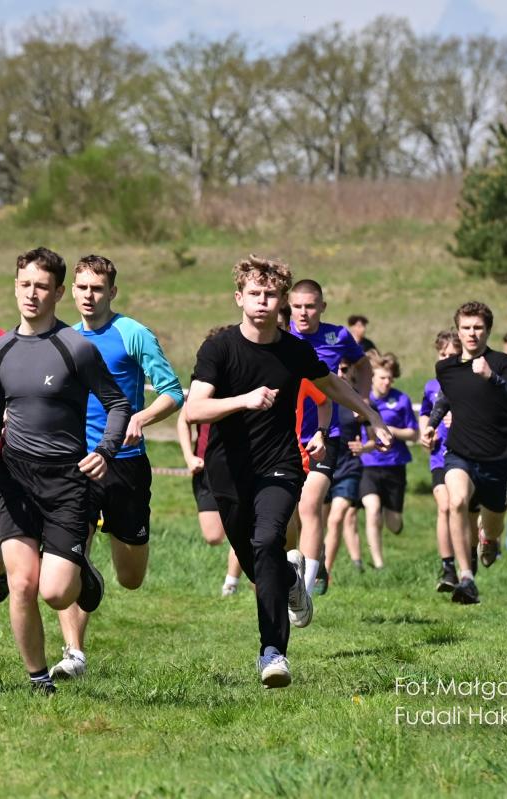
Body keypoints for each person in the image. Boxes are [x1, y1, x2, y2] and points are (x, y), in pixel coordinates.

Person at [185, 255, 391, 689]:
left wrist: (371, 415)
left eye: (270, 294)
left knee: (267, 541)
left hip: (279, 466)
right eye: (254, 293)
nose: (262, 301)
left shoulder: (295, 351)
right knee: (258, 563)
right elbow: (195, 409)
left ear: (280, 301)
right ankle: (290, 580)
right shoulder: (219, 348)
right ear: (239, 298)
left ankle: (272, 652)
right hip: (228, 472)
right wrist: (243, 400)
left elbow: (331, 386)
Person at [0, 246, 130, 695]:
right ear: (15, 287)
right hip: (15, 479)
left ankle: (81, 571)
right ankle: (38, 678)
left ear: (59, 292)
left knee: (56, 592)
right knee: (22, 584)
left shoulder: (76, 348)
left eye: (42, 286)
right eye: (25, 284)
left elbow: (118, 404)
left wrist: (106, 450)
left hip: (66, 480)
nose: (31, 294)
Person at [45, 254, 184, 681]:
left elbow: (173, 392)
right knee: (69, 558)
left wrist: (141, 418)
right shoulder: (64, 338)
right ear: (72, 291)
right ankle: (73, 653)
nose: (89, 296)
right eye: (83, 288)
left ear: (112, 292)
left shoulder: (133, 333)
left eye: (97, 289)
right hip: (77, 463)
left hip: (125, 465)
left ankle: (91, 572)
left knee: (131, 577)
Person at [421, 301, 507, 605]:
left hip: (496, 458)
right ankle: (466, 577)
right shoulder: (446, 368)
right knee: (456, 502)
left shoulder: (503, 363)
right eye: (466, 327)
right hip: (459, 452)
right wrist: (431, 425)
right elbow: (445, 398)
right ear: (458, 330)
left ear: (488, 330)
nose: (472, 333)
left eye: (478, 327)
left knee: (493, 524)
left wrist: (491, 377)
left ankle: (488, 539)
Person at [288, 281, 371, 596]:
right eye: (297, 306)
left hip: (327, 433)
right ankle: (315, 559)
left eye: (310, 306)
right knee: (293, 511)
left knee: (310, 505)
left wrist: (362, 401)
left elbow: (363, 365)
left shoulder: (338, 336)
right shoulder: (280, 337)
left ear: (322, 307)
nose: (303, 313)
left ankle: (306, 591)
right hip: (286, 436)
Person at [350, 353, 418, 568]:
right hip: (368, 464)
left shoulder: (402, 400)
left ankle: (394, 520)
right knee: (372, 508)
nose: (386, 382)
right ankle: (379, 564)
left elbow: (414, 434)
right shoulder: (362, 400)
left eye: (389, 378)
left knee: (394, 524)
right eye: (382, 377)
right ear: (372, 377)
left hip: (395, 465)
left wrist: (391, 430)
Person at [177, 397, 244, 595]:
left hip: (239, 468)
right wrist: (189, 457)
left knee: (241, 527)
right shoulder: (204, 385)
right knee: (213, 536)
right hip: (206, 468)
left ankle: (231, 583)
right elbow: (184, 419)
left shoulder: (245, 386)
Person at [419, 330, 460, 591]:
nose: (446, 359)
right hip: (440, 456)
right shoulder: (431, 386)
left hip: (467, 455)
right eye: (443, 354)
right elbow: (424, 413)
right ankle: (448, 569)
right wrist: (426, 432)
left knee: (461, 507)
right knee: (444, 507)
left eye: (452, 355)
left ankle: (470, 555)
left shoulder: (472, 383)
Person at [323, 357, 365, 576]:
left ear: (352, 372)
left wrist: (365, 446)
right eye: (335, 368)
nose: (340, 373)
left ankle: (325, 573)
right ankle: (314, 566)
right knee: (317, 522)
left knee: (336, 518)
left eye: (345, 369)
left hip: (349, 469)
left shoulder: (357, 401)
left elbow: (376, 436)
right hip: (322, 466)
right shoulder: (320, 396)